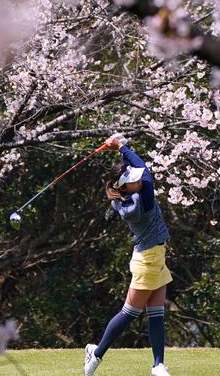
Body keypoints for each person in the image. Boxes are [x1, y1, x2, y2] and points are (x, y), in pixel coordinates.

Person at [84, 134, 172, 376]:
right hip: (147, 261)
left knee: (156, 313)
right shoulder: (141, 200)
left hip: (155, 258)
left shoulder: (125, 198)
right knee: (129, 313)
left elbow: (140, 172)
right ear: (124, 186)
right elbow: (145, 170)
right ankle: (97, 352)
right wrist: (121, 147)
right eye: (132, 180)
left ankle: (158, 365)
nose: (139, 180)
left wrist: (121, 150)